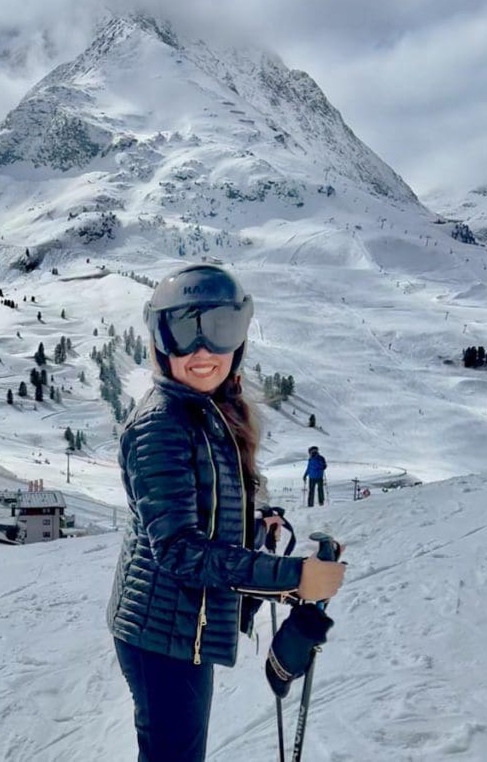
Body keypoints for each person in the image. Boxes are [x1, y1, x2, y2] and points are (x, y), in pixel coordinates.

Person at [107, 264, 345, 762]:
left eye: (219, 331)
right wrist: (293, 577)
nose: (201, 352)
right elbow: (179, 551)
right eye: (183, 332)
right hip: (162, 636)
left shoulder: (204, 410)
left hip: (179, 626)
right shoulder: (161, 425)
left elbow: (201, 512)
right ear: (159, 341)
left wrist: (254, 528)